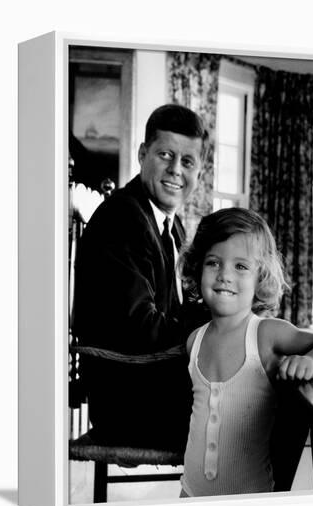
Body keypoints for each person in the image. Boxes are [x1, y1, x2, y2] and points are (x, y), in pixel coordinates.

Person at [179, 207, 313, 496]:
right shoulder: (195, 341)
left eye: (240, 266)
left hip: (251, 499)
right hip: (190, 493)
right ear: (198, 268)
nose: (224, 276)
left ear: (261, 277)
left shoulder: (265, 334)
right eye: (213, 263)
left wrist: (311, 363)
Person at [73, 104, 209, 451]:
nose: (176, 170)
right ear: (142, 154)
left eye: (188, 161)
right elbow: (140, 330)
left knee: (264, 386)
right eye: (165, 154)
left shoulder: (170, 223)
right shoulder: (123, 220)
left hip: (153, 380)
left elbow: (175, 309)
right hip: (129, 400)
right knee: (264, 410)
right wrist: (214, 329)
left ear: (200, 171)